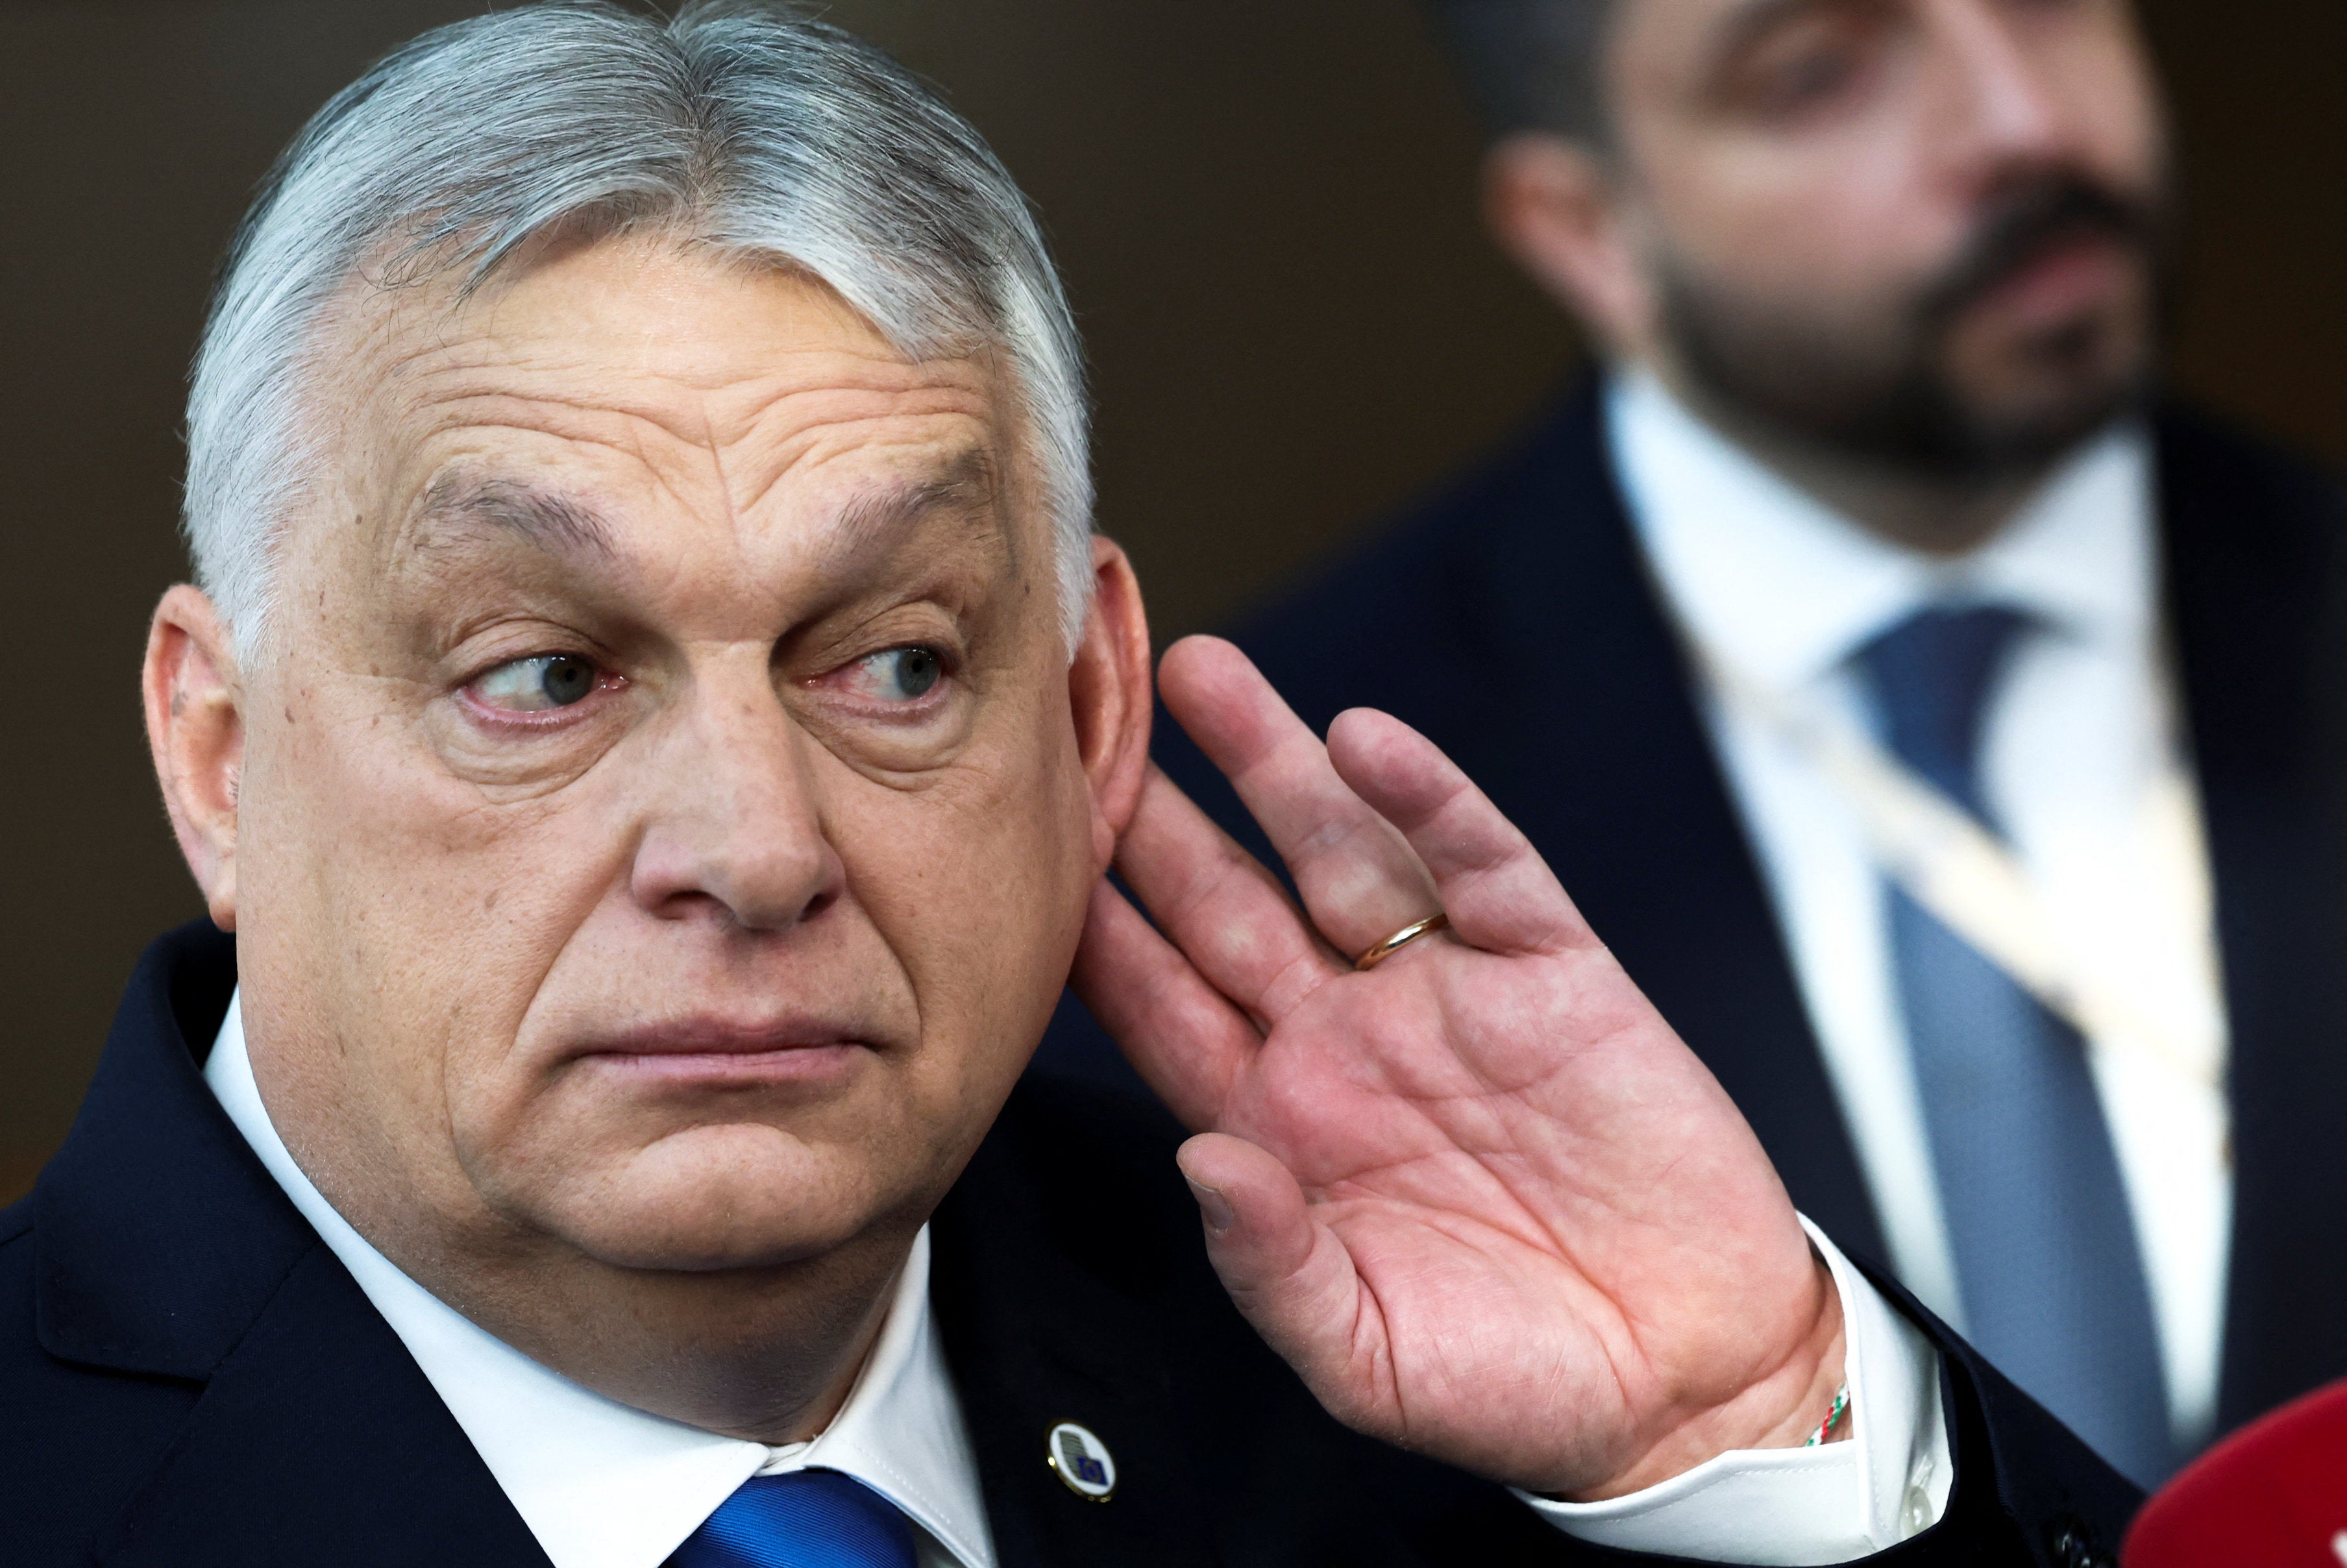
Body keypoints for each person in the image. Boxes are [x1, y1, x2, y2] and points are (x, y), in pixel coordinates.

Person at [1, 5, 2137, 1566]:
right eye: (542, 675)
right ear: (220, 751)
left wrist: (1748, 1424)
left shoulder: (1425, 1387)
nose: (755, 848)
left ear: (1094, 710)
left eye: (896, 661)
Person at [1042, 0, 2347, 1492]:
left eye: (2049, 7)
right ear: (1584, 228)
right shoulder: (1251, 854)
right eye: (1818, 75)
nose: (2019, 125)